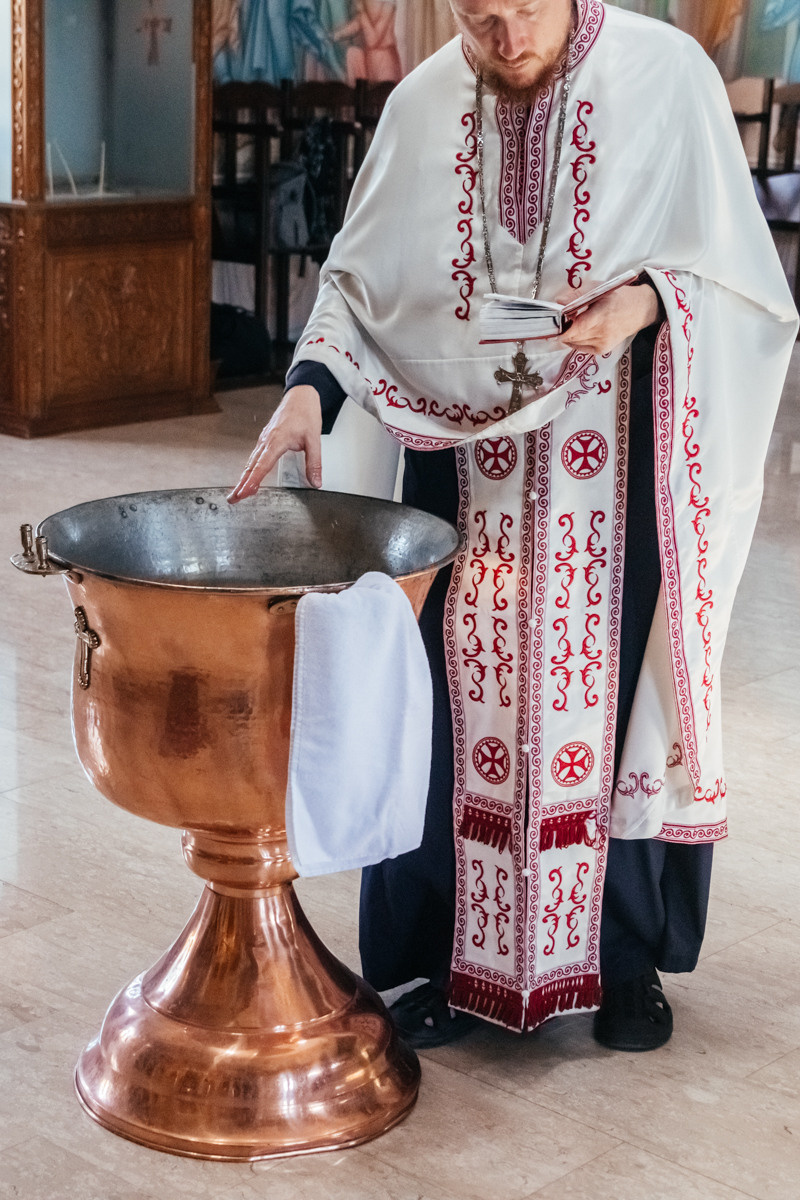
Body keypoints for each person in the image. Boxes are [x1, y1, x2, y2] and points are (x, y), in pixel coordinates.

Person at [228, 0, 797, 1052]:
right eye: (479, 18)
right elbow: (356, 284)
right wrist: (309, 387)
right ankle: (451, 963)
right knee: (450, 708)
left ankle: (621, 962)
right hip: (461, 475)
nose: (506, 38)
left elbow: (746, 287)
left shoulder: (667, 75)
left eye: (525, 11)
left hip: (615, 462)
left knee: (613, 699)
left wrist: (647, 301)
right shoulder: (421, 103)